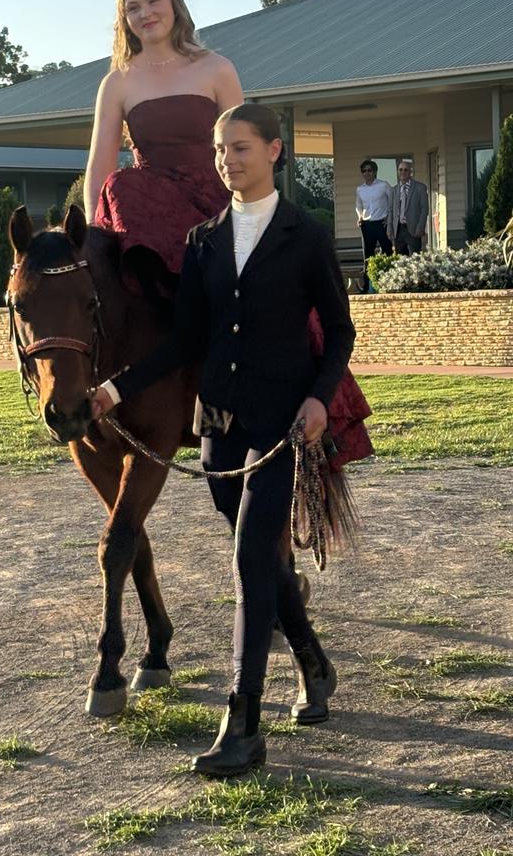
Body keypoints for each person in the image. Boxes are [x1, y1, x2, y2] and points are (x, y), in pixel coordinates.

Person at [91, 103, 355, 777]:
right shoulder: (203, 239)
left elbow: (340, 331)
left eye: (239, 148)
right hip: (218, 428)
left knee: (248, 558)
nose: (226, 161)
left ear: (274, 151)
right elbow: (184, 340)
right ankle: (315, 665)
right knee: (258, 557)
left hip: (280, 425)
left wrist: (319, 399)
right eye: (218, 151)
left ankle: (244, 724)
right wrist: (118, 388)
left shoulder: (305, 235)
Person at [84, 0, 243, 293]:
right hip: (151, 210)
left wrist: (254, 207)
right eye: (133, 8)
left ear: (174, 3)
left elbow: (244, 147)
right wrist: (90, 238)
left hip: (215, 201)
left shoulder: (217, 69)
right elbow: (100, 166)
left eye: (153, 1)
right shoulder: (116, 82)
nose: (145, 13)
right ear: (124, 19)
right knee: (119, 185)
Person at [355, 159, 392, 291]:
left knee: (387, 251)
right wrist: (359, 216)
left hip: (382, 223)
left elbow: (391, 203)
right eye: (364, 171)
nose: (367, 173)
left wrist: (389, 218)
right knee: (368, 255)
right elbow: (358, 205)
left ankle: (389, 283)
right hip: (367, 224)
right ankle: (367, 287)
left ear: (375, 172)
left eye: (369, 170)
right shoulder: (360, 189)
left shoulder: (384, 185)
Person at [389, 158, 429, 254]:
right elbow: (390, 210)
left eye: (405, 169)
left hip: (413, 229)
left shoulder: (420, 187)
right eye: (400, 169)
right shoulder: (394, 190)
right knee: (401, 261)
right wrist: (389, 228)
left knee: (415, 260)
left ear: (410, 172)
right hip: (398, 230)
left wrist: (420, 228)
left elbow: (425, 209)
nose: (403, 172)